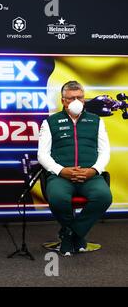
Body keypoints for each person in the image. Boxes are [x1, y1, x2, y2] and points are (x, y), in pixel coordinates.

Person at [38, 80, 112, 256]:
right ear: (63, 100)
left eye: (80, 97)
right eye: (71, 98)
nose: (76, 101)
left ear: (84, 99)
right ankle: (77, 238)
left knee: (103, 196)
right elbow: (42, 155)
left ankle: (70, 235)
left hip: (90, 175)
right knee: (57, 198)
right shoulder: (50, 122)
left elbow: (105, 151)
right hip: (61, 176)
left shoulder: (96, 121)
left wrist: (93, 170)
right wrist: (61, 171)